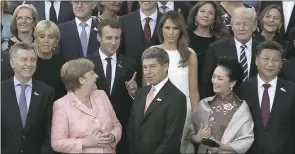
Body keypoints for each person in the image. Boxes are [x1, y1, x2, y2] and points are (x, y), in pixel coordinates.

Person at [51, 58, 122, 153]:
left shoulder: (101, 95)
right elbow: (57, 143)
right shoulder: (61, 105)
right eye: (92, 73)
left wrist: (112, 136)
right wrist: (85, 142)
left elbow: (116, 125)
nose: (96, 76)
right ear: (81, 80)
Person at [87, 18, 136, 154]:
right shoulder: (87, 63)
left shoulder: (130, 64)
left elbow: (135, 99)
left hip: (123, 127)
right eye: (109, 38)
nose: (113, 43)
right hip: (95, 130)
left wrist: (134, 93)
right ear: (98, 37)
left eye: (117, 38)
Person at [238, 41, 295, 154]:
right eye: (266, 59)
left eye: (275, 60)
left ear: (281, 63)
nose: (270, 64)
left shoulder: (292, 90)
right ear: (256, 60)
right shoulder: (243, 89)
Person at [155, 10, 199, 153]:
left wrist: (196, 119)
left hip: (184, 113)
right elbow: (147, 89)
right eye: (167, 28)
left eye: (175, 28)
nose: (171, 33)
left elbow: (193, 91)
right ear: (161, 29)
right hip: (158, 113)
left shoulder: (189, 54)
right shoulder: (152, 52)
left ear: (181, 31)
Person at [127, 47, 187, 153]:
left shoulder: (177, 97)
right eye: (145, 67)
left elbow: (171, 140)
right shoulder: (140, 93)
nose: (147, 72)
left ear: (165, 66)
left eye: (152, 67)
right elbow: (132, 130)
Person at [189, 57, 254, 153]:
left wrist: (222, 147)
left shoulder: (241, 108)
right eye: (214, 76)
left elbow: (246, 140)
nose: (214, 81)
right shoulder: (204, 104)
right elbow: (190, 134)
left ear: (232, 83)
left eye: (219, 78)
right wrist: (197, 138)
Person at [1, 42, 55, 154]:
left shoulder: (46, 92)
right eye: (24, 59)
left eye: (33, 60)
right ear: (12, 63)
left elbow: (48, 131)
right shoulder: (2, 90)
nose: (29, 64)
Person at [201, 7, 260, 99]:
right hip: (223, 102)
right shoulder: (216, 48)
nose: (241, 28)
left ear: (254, 26)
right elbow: (207, 81)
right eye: (237, 24)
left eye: (246, 24)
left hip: (255, 102)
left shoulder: (261, 49)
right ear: (231, 26)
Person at [187, 1, 230, 88]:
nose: (206, 15)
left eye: (210, 13)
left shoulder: (220, 40)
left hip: (211, 87)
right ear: (195, 14)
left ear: (214, 18)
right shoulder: (185, 37)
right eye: (202, 11)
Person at [119, 1, 162, 87]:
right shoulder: (124, 21)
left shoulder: (167, 21)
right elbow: (120, 54)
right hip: (130, 84)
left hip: (161, 85)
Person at [33, 20, 66, 100]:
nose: (46, 41)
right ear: (36, 39)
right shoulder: (30, 63)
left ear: (56, 41)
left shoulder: (63, 64)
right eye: (42, 37)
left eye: (50, 37)